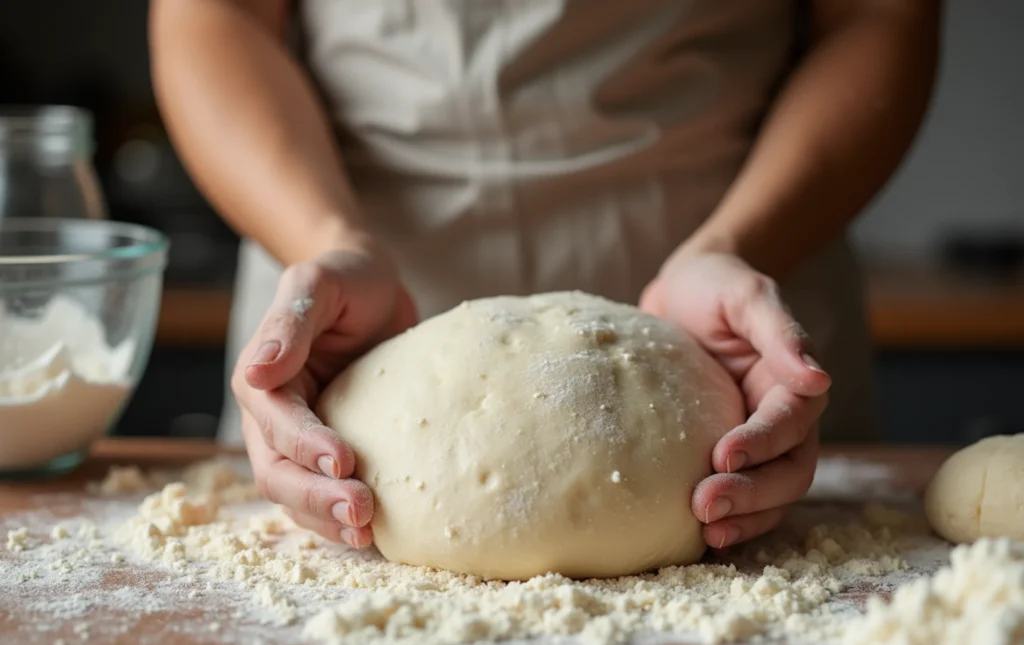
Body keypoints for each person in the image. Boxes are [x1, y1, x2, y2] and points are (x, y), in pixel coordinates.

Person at [150, 0, 940, 552]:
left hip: (733, 307)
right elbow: (213, 12)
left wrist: (740, 242)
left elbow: (879, 13)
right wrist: (325, 238)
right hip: (344, 309)